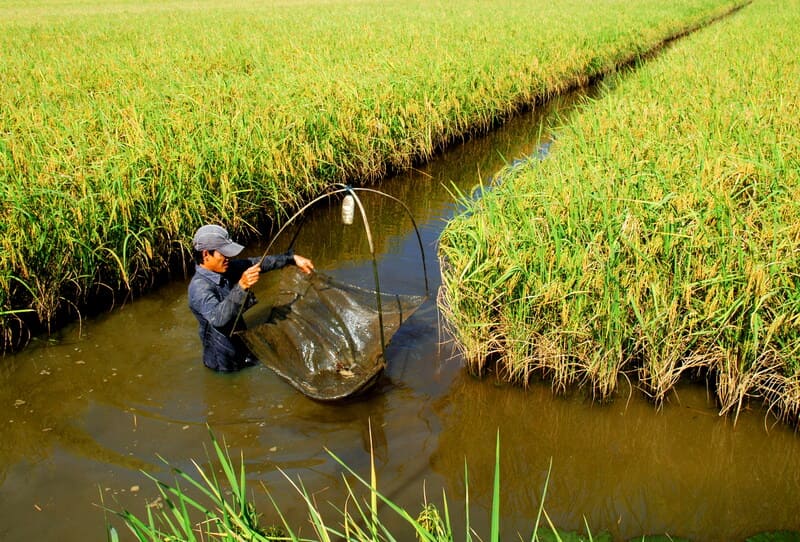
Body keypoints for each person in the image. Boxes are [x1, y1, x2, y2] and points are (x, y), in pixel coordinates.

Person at [188, 224, 314, 372]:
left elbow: (256, 264)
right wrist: (241, 287)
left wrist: (290, 258)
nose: (229, 258)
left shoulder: (225, 269)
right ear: (205, 255)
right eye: (223, 254)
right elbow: (218, 319)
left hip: (242, 346)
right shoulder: (199, 288)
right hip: (223, 363)